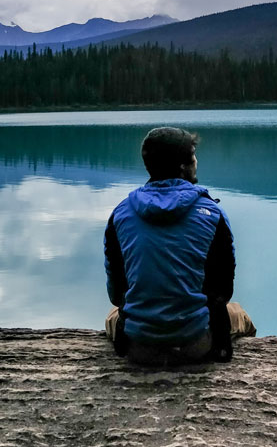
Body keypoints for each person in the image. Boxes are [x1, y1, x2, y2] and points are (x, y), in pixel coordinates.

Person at [104, 126, 255, 366]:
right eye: (193, 156)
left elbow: (116, 295)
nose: (197, 162)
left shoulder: (121, 213)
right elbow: (223, 291)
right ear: (184, 166)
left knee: (112, 315)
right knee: (239, 314)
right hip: (195, 344)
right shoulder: (212, 214)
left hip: (138, 347)